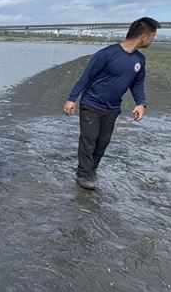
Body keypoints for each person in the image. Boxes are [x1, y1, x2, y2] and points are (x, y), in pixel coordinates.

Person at [63, 17, 160, 190]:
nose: (154, 39)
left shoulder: (140, 60)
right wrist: (72, 99)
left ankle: (92, 170)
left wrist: (141, 103)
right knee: (89, 140)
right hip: (91, 104)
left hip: (112, 108)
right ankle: (84, 174)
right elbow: (87, 77)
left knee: (103, 142)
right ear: (144, 36)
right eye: (153, 35)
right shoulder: (107, 53)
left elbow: (137, 83)